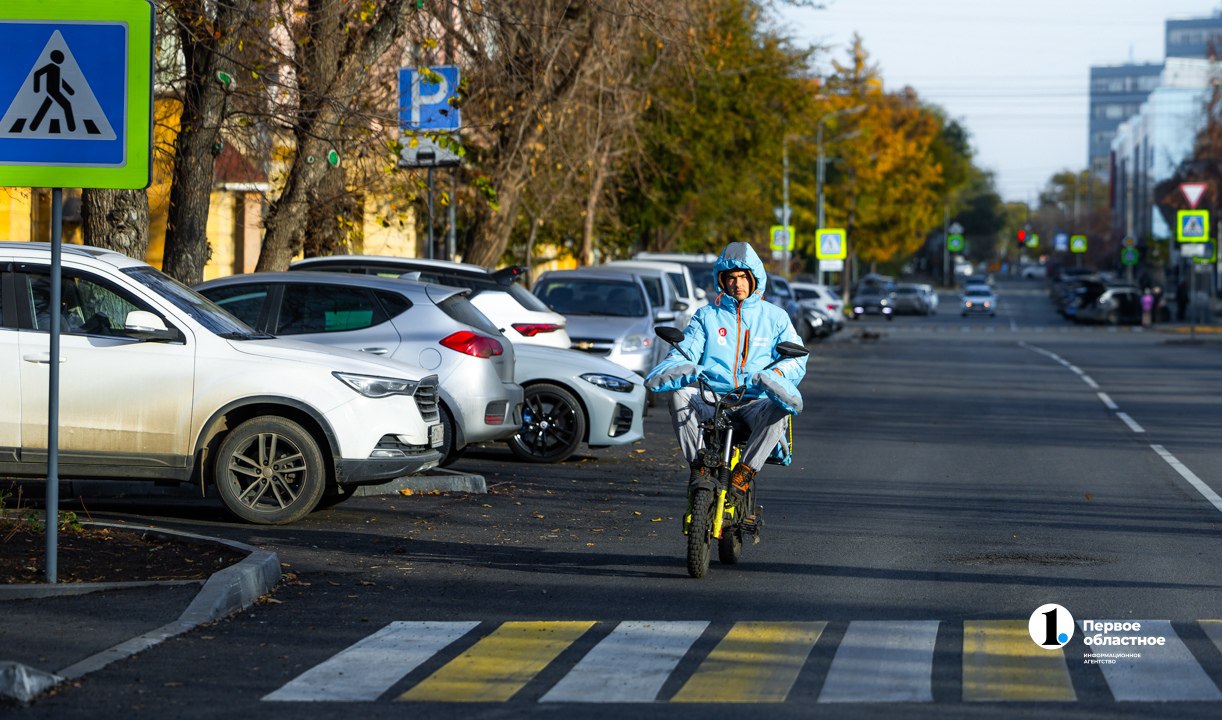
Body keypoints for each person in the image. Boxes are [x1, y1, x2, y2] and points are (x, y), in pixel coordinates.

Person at [644, 241, 806, 509]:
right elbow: (684, 352)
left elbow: (796, 357)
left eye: (743, 277)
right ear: (722, 280)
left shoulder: (775, 317)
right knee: (679, 394)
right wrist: (676, 368)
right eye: (731, 277)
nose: (737, 283)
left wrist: (773, 375)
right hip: (712, 399)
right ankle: (699, 466)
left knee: (780, 407)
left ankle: (744, 474)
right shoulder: (706, 316)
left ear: (755, 279)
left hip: (754, 401)